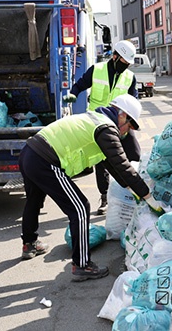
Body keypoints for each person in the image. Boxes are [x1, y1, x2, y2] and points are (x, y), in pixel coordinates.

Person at [19, 94, 151, 281]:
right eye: (129, 125)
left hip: (29, 153)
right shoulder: (107, 129)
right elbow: (123, 165)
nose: (127, 131)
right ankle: (82, 265)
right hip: (45, 159)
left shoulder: (96, 121)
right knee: (80, 207)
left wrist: (129, 187)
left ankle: (29, 243)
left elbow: (111, 166)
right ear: (122, 115)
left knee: (34, 200)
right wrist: (146, 194)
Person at [62, 40, 141, 216]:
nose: (125, 66)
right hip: (98, 122)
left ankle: (136, 190)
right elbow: (80, 84)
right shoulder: (97, 70)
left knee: (134, 154)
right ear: (115, 56)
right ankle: (105, 197)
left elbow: (134, 100)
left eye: (128, 63)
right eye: (124, 62)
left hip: (121, 122)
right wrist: (73, 94)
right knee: (101, 160)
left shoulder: (129, 77)